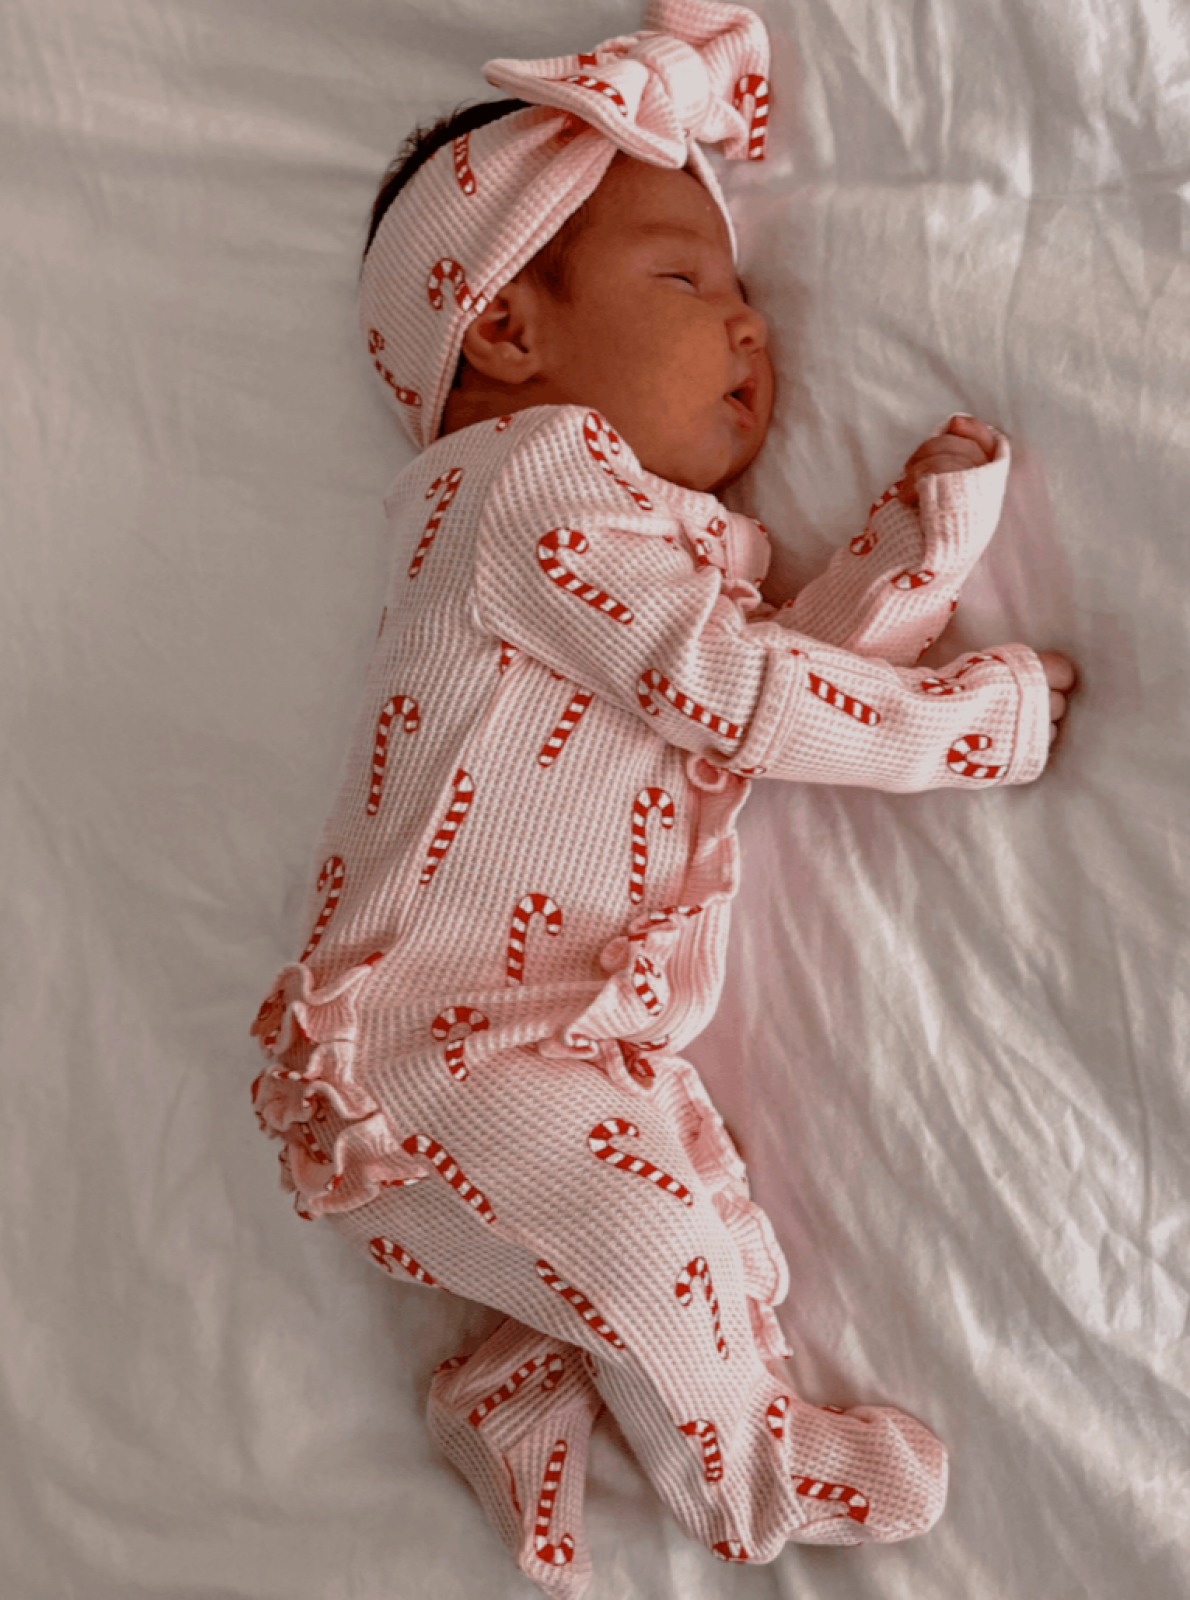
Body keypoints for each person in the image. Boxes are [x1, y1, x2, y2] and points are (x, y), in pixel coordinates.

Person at [249, 3, 1075, 1593]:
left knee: (672, 1221)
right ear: (506, 334)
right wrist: (969, 723)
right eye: (684, 280)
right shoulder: (527, 486)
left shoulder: (628, 540)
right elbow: (744, 697)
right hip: (440, 1064)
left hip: (539, 1058)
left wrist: (901, 568)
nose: (749, 324)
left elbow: (726, 709)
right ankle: (752, 1485)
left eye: (743, 283)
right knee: (657, 1255)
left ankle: (513, 1377)